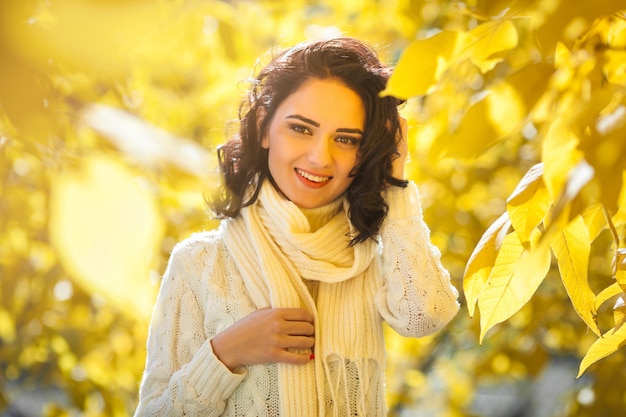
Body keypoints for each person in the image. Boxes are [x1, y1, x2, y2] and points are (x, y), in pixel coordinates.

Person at [134, 37, 459, 417]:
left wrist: (396, 185)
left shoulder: (373, 262)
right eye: (301, 129)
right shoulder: (200, 263)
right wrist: (226, 352)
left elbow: (426, 315)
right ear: (263, 128)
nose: (321, 157)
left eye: (346, 139)